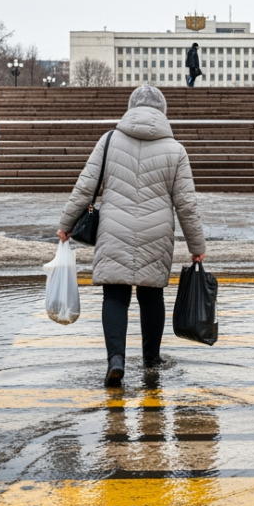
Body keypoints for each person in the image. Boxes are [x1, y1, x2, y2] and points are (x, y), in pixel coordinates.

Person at [57, 85, 206, 387]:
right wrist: (196, 245)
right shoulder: (176, 150)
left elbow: (86, 186)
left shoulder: (109, 140)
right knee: (151, 296)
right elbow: (186, 204)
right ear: (162, 112)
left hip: (114, 229)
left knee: (115, 296)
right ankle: (151, 360)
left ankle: (116, 360)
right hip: (157, 232)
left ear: (130, 108)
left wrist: (66, 222)